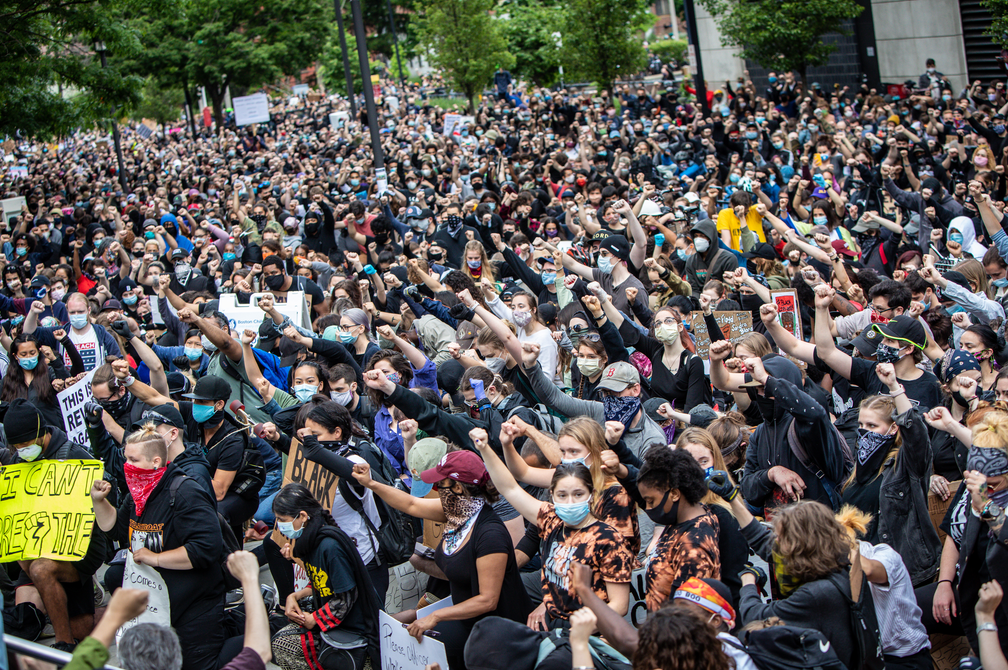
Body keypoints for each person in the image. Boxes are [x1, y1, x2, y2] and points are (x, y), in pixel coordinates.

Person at [352, 447, 532, 670]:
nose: (434, 490)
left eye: (439, 485)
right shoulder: (456, 510)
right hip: (465, 619)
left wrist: (435, 615)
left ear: (457, 487)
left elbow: (487, 600)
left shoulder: (490, 535)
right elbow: (411, 504)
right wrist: (371, 483)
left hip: (496, 631)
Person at [472, 426, 634, 666]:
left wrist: (578, 629)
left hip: (591, 635)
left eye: (578, 494)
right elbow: (510, 487)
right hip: (552, 627)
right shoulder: (550, 519)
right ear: (552, 496)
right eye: (562, 495)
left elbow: (619, 605)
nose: (570, 502)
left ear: (590, 494)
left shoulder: (608, 538)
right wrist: (485, 448)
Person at [89, 423, 227, 670]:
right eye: (126, 458)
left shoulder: (185, 491)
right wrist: (98, 502)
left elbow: (206, 548)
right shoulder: (137, 494)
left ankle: (250, 634)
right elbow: (117, 530)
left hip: (195, 606)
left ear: (155, 461)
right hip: (157, 603)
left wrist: (156, 558)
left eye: (134, 459)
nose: (127, 465)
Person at [5, 399, 111, 653]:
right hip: (36, 546)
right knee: (26, 621)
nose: (22, 450)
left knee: (43, 573)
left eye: (27, 444)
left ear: (42, 433)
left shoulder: (74, 455)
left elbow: (108, 500)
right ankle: (54, 600)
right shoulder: (16, 462)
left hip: (79, 548)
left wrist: (100, 490)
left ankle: (65, 643)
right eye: (17, 446)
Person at [270, 483, 382, 670]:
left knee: (283, 646)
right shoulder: (309, 542)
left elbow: (346, 597)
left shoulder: (330, 547)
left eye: (282, 520)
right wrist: (295, 596)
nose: (280, 527)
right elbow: (322, 583)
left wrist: (315, 618)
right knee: (279, 637)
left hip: (352, 629)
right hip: (332, 621)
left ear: (303, 517)